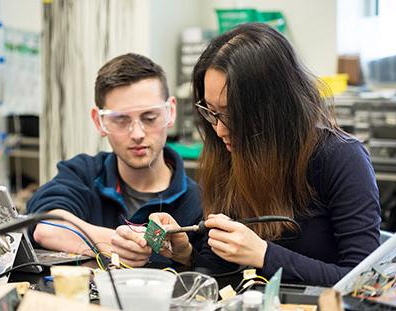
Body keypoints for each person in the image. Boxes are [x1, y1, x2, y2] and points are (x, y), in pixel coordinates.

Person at [150, 23, 381, 286]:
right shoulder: (227, 152)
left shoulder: (340, 157)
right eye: (211, 111)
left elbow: (365, 283)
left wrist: (265, 254)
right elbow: (220, 273)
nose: (220, 129)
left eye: (232, 113)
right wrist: (187, 255)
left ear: (274, 107)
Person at [27, 53, 202, 267]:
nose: (137, 133)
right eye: (120, 119)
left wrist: (187, 256)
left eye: (150, 118)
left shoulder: (199, 203)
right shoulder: (83, 173)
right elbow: (46, 228)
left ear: (170, 112)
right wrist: (114, 243)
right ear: (99, 121)